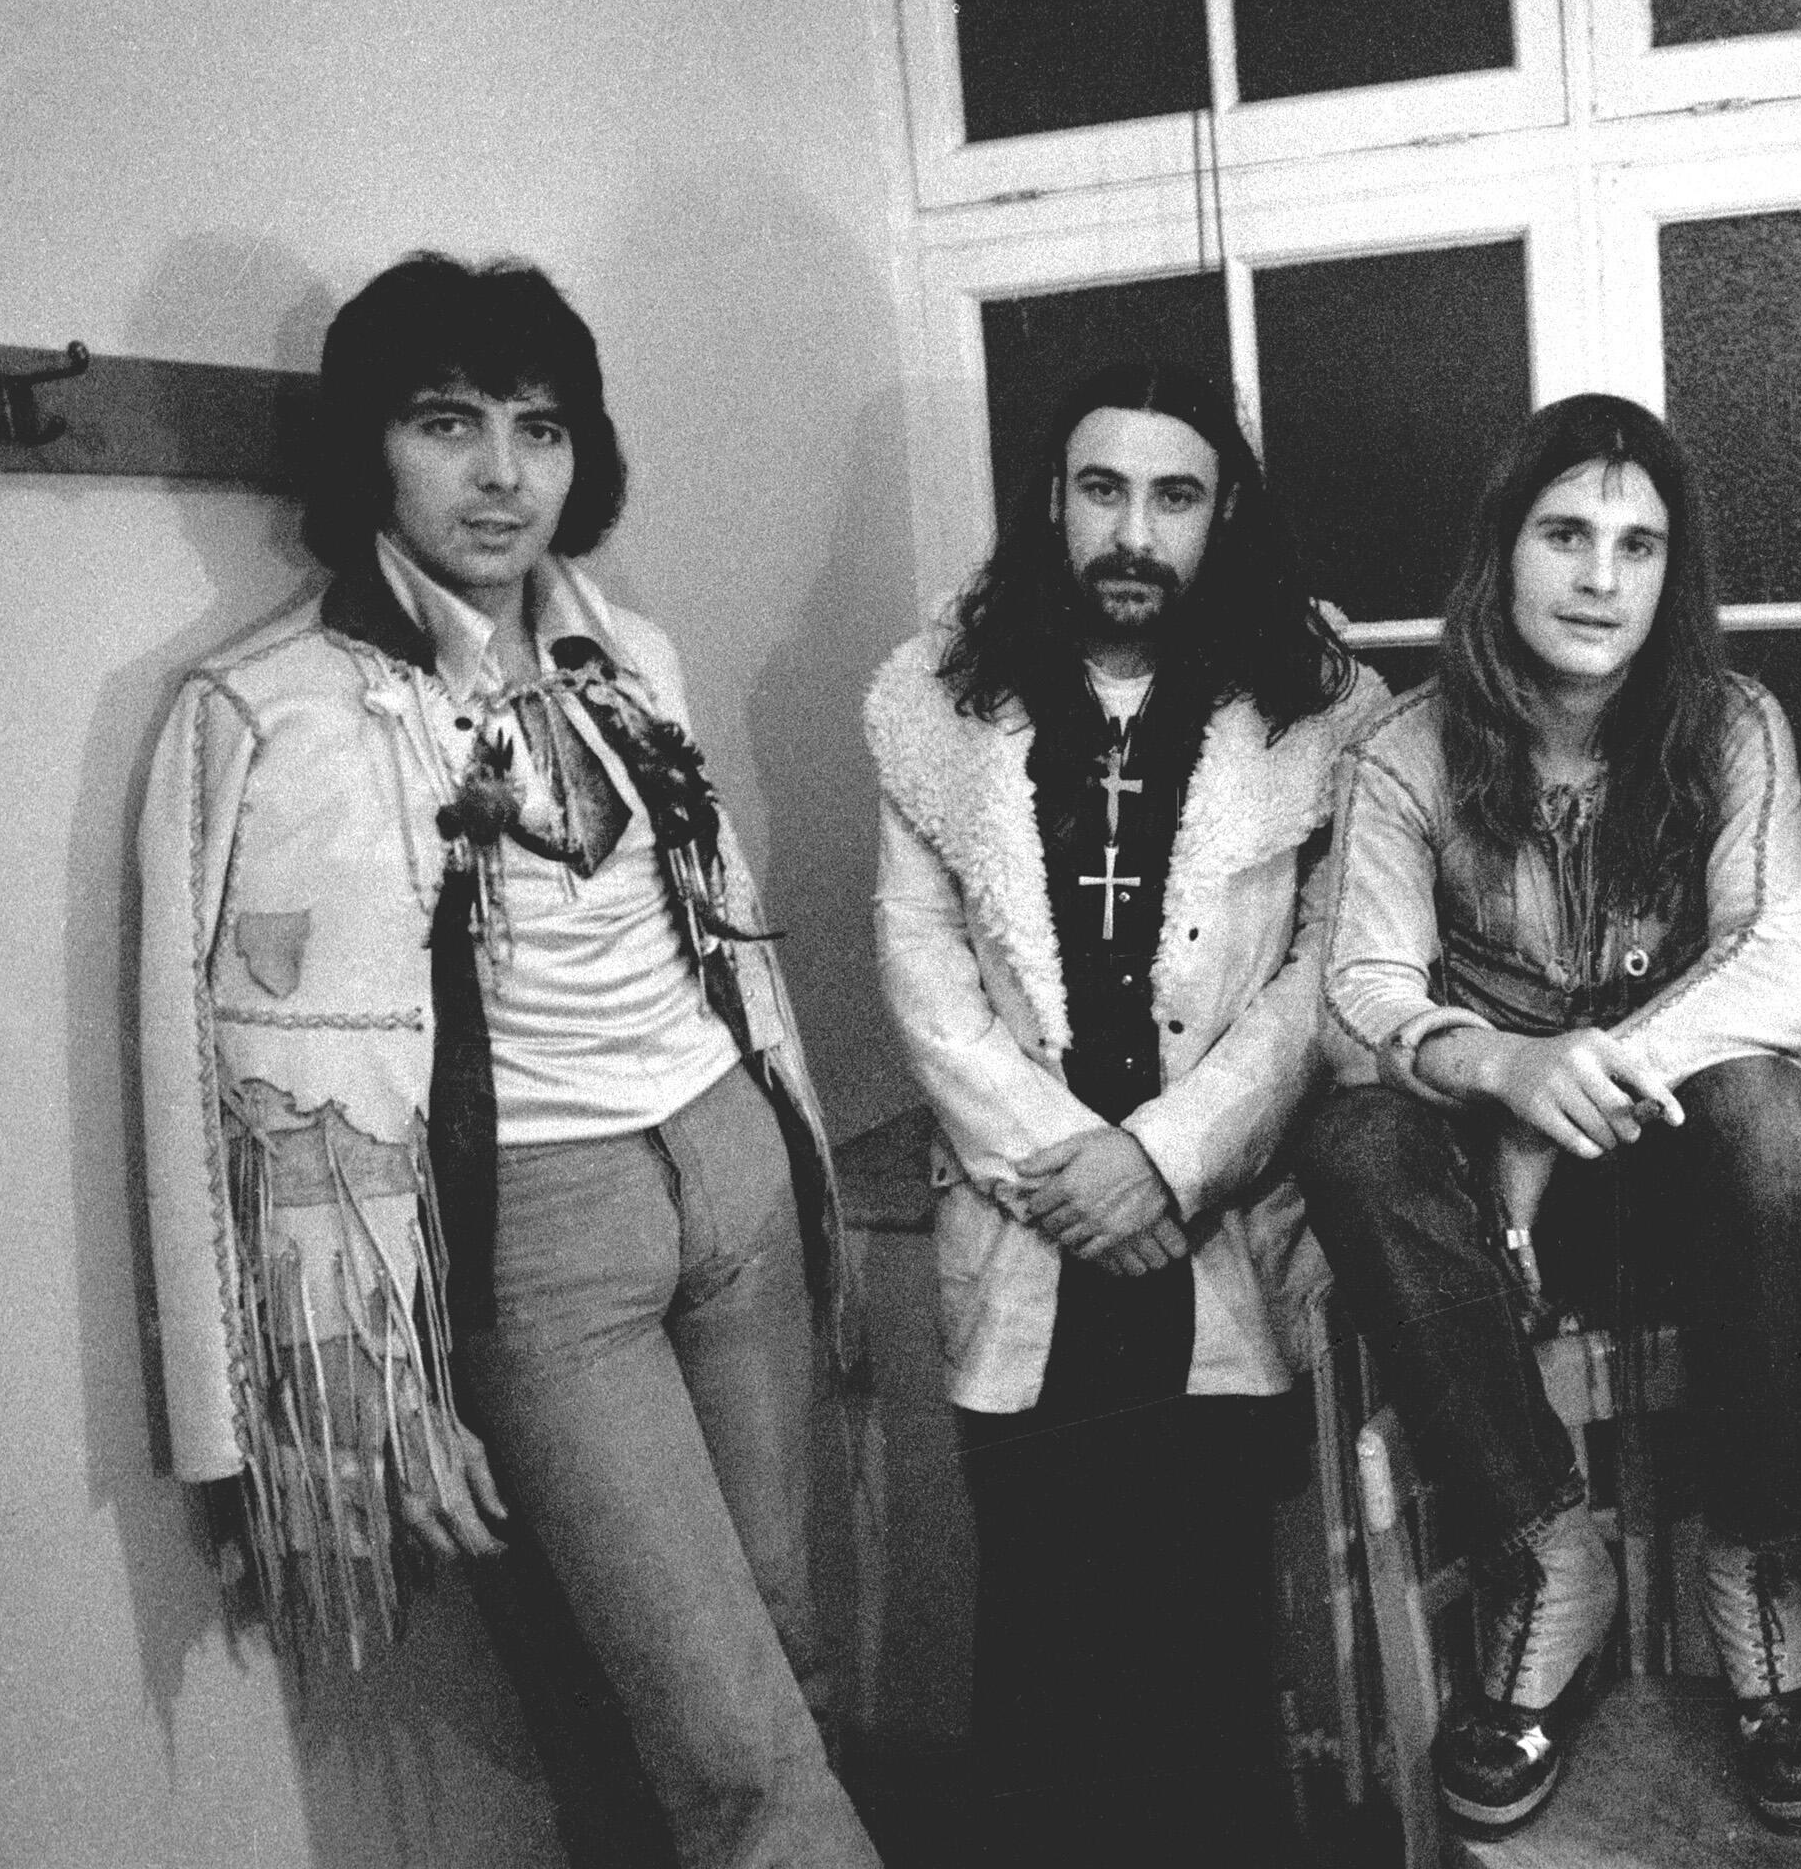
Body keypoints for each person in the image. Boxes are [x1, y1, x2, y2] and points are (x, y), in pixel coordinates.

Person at [137, 253, 880, 1869]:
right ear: (370, 447)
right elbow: (262, 1096)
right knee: (735, 1743)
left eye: (538, 429)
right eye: (446, 423)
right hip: (539, 1234)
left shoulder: (635, 657)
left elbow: (720, 942)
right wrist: (378, 1379)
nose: (500, 475)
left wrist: (793, 1168)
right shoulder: (276, 712)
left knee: (786, 1656)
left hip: (730, 1169)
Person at [1296, 394, 1801, 1838]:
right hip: (1488, 1219)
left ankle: (1754, 1568)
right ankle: (1551, 1556)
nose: (1601, 578)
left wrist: (1568, 1096)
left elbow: (1781, 963)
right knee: (1353, 1141)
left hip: (1690, 1186)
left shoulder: (1735, 726)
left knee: (1774, 1115)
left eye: (1638, 545)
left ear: (1673, 573)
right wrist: (1503, 1071)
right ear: (1505, 552)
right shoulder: (1407, 751)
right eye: (1565, 535)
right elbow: (1354, 995)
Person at [862, 358, 1385, 1864]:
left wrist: (1160, 1162)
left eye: (1175, 496)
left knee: (1211, 1636)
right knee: (1040, 1634)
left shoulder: (1321, 710)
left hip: (1212, 1230)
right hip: (1029, 1224)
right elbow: (919, 963)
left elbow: (1323, 975)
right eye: (1103, 490)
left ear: (1225, 515)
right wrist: (1071, 1168)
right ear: (1052, 500)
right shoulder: (935, 704)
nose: (1135, 534)